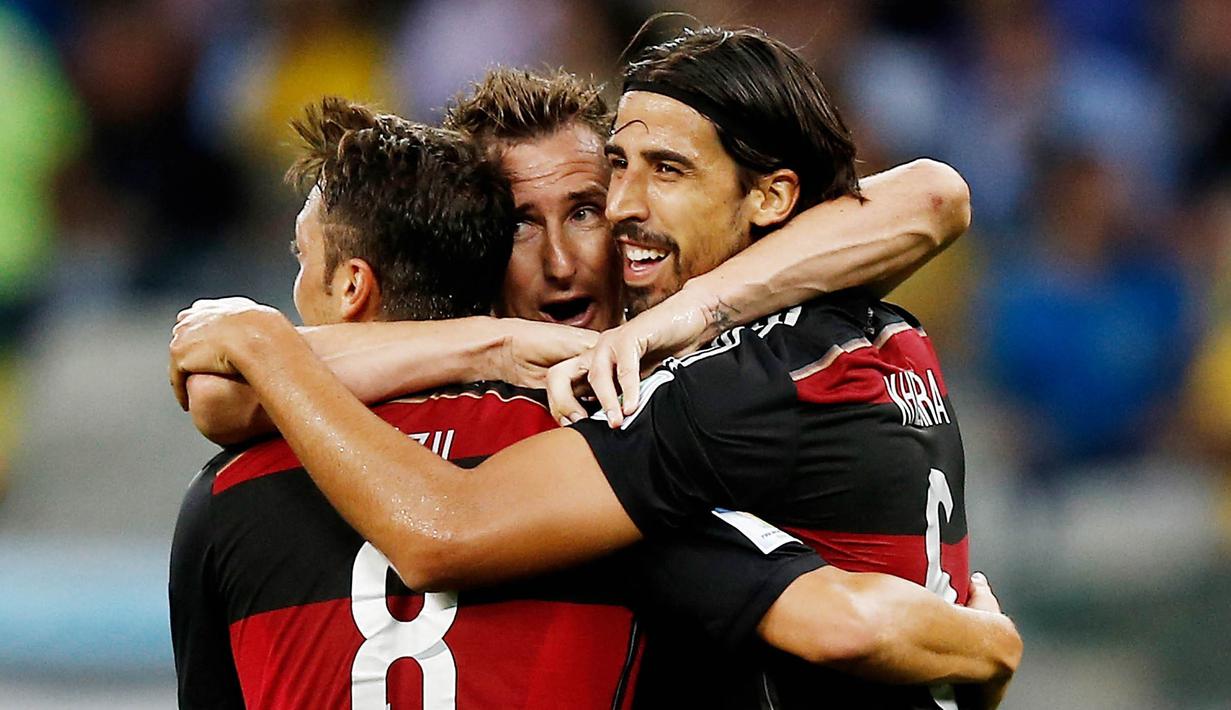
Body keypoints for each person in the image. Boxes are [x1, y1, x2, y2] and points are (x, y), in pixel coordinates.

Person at [171, 41, 1018, 705]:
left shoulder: (681, 393)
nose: (564, 259)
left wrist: (688, 313)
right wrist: (981, 647)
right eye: (518, 224)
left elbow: (932, 196)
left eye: (585, 208)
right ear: (471, 246)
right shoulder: (600, 451)